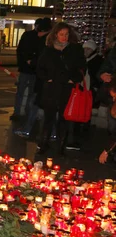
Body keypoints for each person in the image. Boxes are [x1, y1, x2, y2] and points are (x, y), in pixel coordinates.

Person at [35, 22, 86, 154]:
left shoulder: (74, 49)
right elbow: (40, 67)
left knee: (64, 118)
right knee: (49, 118)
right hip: (51, 88)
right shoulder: (49, 49)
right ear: (56, 35)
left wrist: (73, 79)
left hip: (67, 88)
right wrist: (47, 78)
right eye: (61, 34)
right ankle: (43, 144)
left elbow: (81, 67)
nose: (64, 37)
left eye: (66, 34)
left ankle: (60, 146)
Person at [14, 18, 52, 138]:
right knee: (31, 98)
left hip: (37, 74)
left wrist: (30, 62)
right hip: (34, 72)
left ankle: (27, 126)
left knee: (33, 99)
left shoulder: (45, 41)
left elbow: (42, 58)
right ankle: (50, 132)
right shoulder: (41, 39)